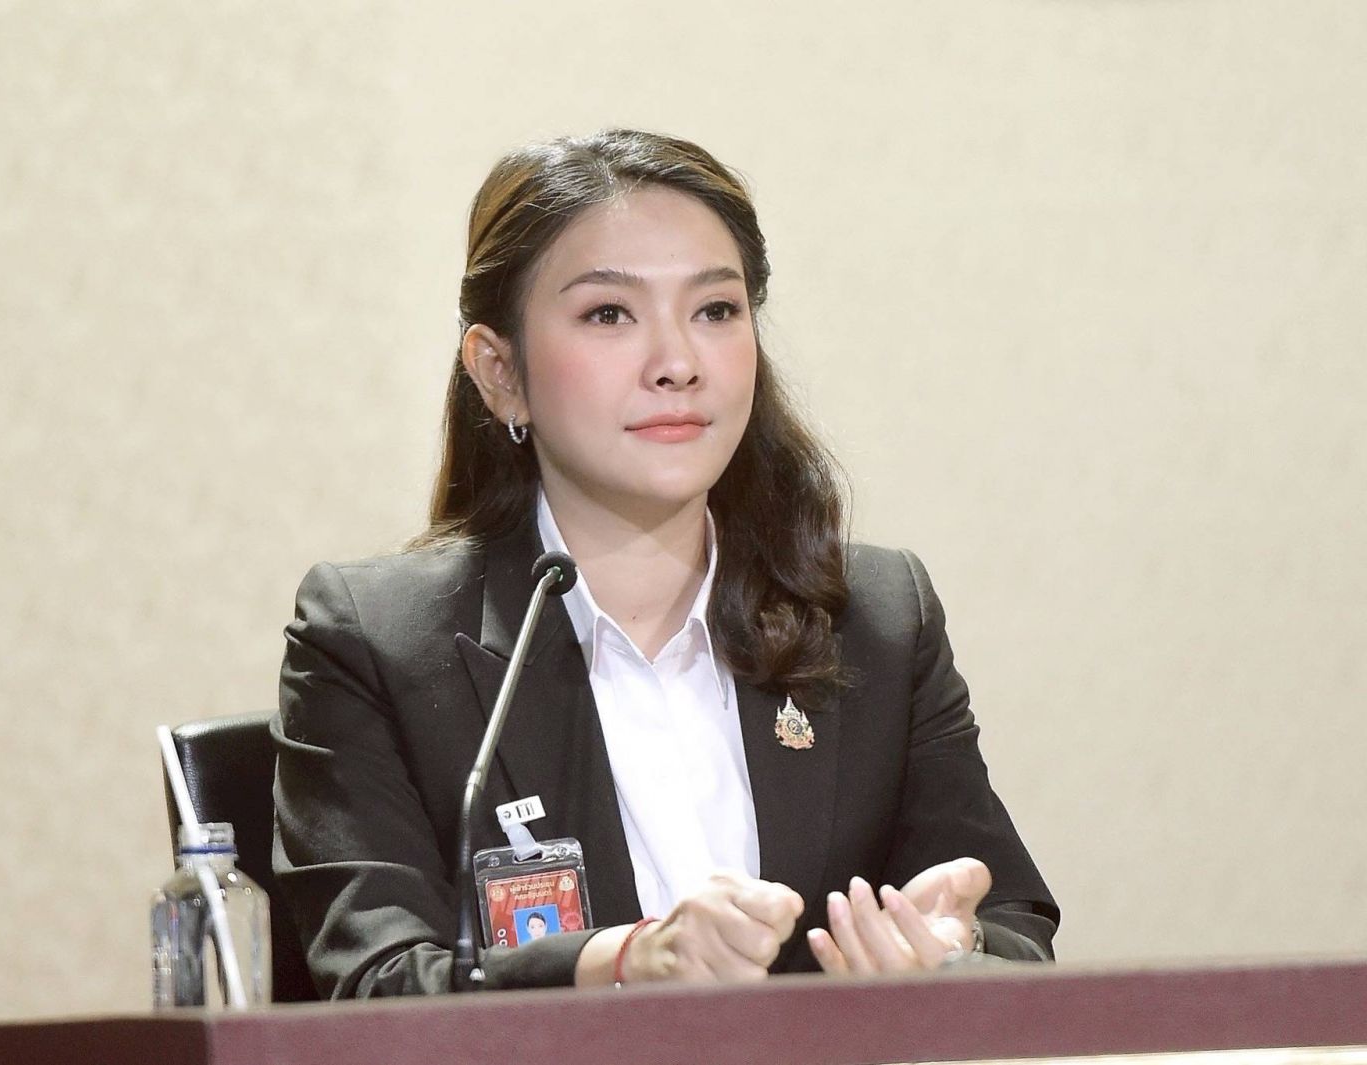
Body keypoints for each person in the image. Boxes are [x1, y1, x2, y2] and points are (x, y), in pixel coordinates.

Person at [273, 129, 1058, 998]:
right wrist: (622, 961)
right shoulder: (377, 642)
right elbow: (376, 988)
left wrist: (949, 949)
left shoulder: (874, 615)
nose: (679, 364)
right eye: (609, 314)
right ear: (501, 372)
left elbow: (1016, 929)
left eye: (715, 310)